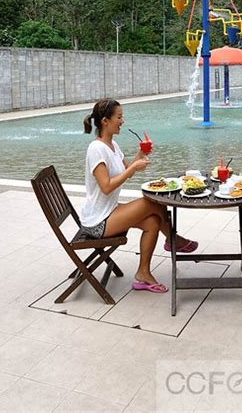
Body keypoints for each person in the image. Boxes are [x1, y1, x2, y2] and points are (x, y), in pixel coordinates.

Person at [81, 98, 198, 294]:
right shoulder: (96, 149)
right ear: (105, 121)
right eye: (119, 117)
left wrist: (140, 155)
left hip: (109, 211)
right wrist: (134, 167)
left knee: (152, 221)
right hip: (97, 222)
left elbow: (126, 170)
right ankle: (173, 239)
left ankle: (143, 273)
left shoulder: (112, 146)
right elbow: (106, 187)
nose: (122, 121)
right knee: (152, 202)